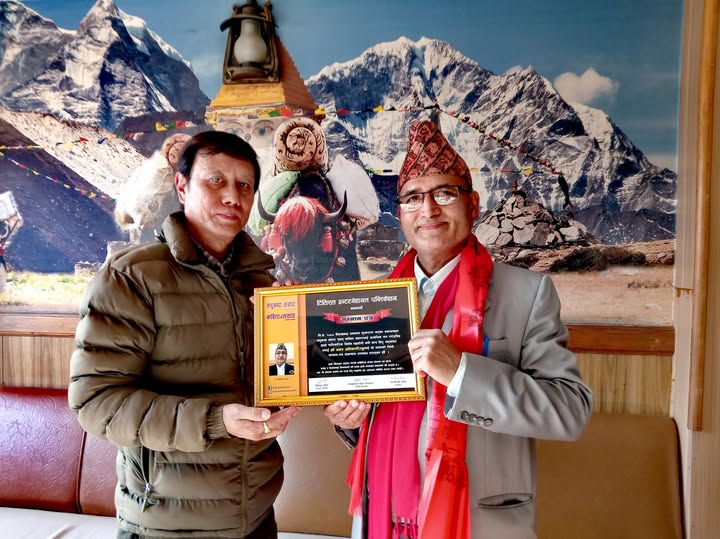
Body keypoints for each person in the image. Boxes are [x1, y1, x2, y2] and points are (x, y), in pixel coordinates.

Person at [325, 120, 593, 539]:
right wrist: (350, 419)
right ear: (401, 214)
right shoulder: (372, 300)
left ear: (474, 204)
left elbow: (569, 411)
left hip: (477, 523)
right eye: (413, 198)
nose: (428, 210)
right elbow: (369, 410)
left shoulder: (527, 294)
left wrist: (461, 373)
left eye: (445, 193)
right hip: (381, 518)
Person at [69, 130, 301, 539]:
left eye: (244, 185)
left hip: (256, 518)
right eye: (216, 180)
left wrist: (307, 354)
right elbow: (97, 403)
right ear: (181, 186)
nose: (232, 196)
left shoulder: (264, 283)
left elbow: (281, 378)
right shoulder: (131, 278)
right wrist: (214, 420)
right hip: (164, 524)